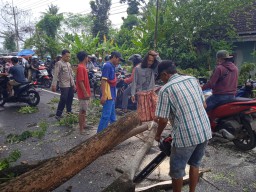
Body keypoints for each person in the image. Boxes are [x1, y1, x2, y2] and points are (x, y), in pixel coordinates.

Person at [154, 60, 212, 192]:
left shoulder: (166, 90)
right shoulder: (192, 79)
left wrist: (158, 135)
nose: (162, 81)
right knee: (195, 164)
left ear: (165, 74)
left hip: (186, 135)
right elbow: (204, 105)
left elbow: (162, 120)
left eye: (161, 77)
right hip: (204, 130)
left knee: (177, 170)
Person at [97, 51, 125, 133]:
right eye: (118, 60)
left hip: (112, 95)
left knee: (113, 116)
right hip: (108, 95)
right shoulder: (107, 66)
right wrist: (103, 95)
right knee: (106, 116)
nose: (119, 62)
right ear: (114, 57)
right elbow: (103, 80)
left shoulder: (112, 66)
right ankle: (100, 135)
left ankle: (114, 132)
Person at [51, 49, 76, 120]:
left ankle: (69, 111)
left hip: (70, 84)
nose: (68, 58)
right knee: (63, 99)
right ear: (62, 56)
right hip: (64, 85)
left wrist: (73, 84)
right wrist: (54, 85)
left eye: (69, 57)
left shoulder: (68, 64)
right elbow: (55, 75)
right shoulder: (59, 63)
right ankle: (58, 114)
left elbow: (71, 75)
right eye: (66, 56)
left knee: (70, 98)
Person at [76, 51, 91, 134]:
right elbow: (80, 81)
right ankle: (81, 129)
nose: (88, 58)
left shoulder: (82, 67)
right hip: (83, 94)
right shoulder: (81, 67)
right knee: (82, 111)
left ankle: (83, 125)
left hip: (83, 93)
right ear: (85, 57)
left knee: (84, 111)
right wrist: (85, 93)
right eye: (87, 57)